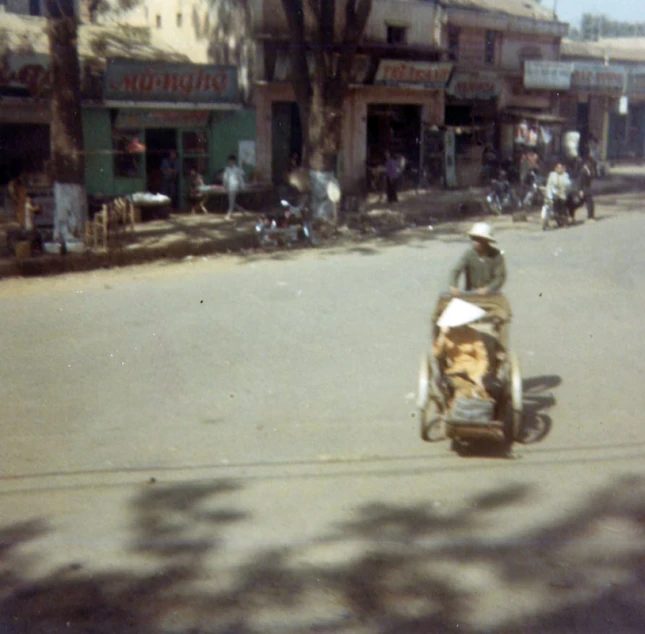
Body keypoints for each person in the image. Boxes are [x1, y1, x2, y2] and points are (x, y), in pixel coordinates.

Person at [449, 222, 506, 295]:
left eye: (479, 240)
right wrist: (453, 285)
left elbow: (500, 277)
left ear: (486, 241)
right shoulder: (468, 254)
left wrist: (488, 289)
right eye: (474, 239)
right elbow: (456, 270)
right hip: (471, 293)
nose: (476, 242)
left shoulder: (496, 255)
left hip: (490, 294)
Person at [543, 161, 573, 229]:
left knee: (562, 205)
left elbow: (568, 184)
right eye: (558, 168)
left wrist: (563, 188)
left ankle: (564, 220)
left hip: (562, 194)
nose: (559, 169)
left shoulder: (565, 175)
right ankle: (555, 220)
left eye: (561, 168)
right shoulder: (552, 175)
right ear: (555, 168)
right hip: (554, 194)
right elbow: (549, 185)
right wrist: (549, 192)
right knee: (553, 204)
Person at [223, 154, 246, 219]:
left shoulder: (237, 169)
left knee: (231, 201)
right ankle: (241, 210)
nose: (230, 163)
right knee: (231, 201)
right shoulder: (227, 169)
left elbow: (241, 177)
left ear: (234, 162)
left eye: (231, 161)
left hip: (235, 187)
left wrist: (242, 186)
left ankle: (229, 214)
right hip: (229, 187)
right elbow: (225, 178)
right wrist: (225, 186)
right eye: (229, 161)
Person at [577, 157, 595, 222]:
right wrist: (580, 190)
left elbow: (592, 177)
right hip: (584, 189)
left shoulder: (589, 170)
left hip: (588, 189)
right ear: (586, 163)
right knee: (581, 203)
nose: (590, 164)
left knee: (590, 203)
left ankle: (591, 216)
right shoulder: (582, 171)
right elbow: (580, 181)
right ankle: (590, 217)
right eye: (589, 163)